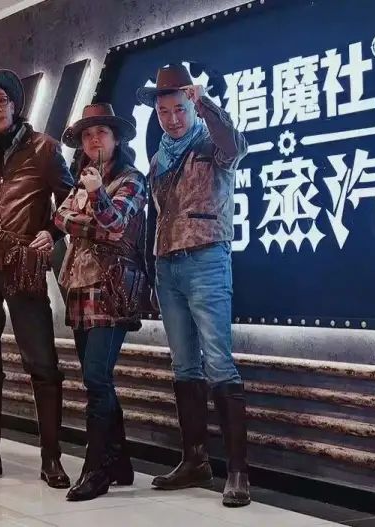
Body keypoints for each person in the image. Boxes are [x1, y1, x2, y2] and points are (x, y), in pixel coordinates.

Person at [136, 64, 250, 506]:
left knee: (219, 363)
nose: (173, 119)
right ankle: (195, 460)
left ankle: (238, 472)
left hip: (206, 260)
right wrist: (151, 273)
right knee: (184, 366)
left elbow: (235, 145)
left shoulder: (211, 142)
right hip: (167, 268)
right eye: (164, 112)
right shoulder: (158, 158)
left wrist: (207, 105)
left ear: (192, 105)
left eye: (180, 109)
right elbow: (154, 219)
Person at [0, 69, 74, 488]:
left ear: (13, 104)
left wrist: (53, 231)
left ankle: (52, 459)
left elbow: (72, 198)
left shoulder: (44, 148)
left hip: (23, 266)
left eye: (1, 102)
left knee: (42, 362)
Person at [53, 103, 149, 501]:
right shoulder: (80, 181)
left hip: (112, 290)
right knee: (98, 379)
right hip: (78, 289)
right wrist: (92, 217)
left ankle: (96, 470)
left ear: (116, 139)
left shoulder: (132, 179)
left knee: (95, 378)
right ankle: (119, 461)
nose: (94, 140)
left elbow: (116, 224)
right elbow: (59, 219)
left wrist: (95, 197)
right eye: (88, 135)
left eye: (102, 133)